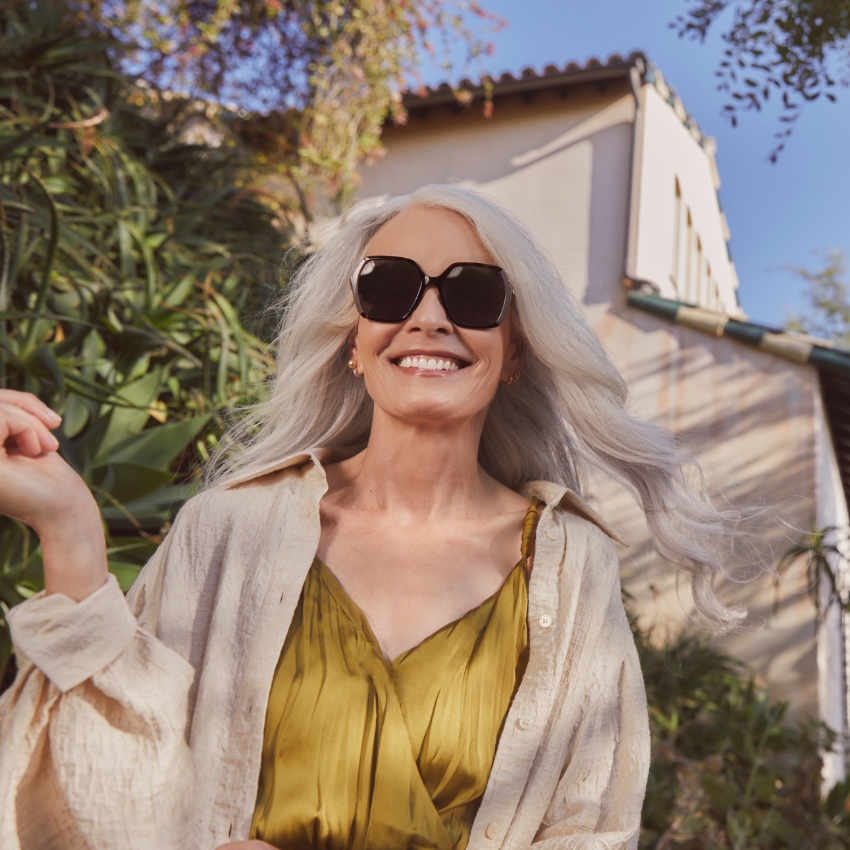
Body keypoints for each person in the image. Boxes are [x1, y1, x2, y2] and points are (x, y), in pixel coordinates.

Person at [0, 184, 742, 850]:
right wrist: (68, 527)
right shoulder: (227, 529)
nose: (428, 318)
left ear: (514, 349)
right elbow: (112, 784)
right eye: (389, 289)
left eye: (473, 295)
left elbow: (591, 829)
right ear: (353, 341)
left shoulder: (571, 565)